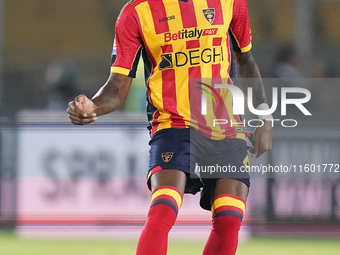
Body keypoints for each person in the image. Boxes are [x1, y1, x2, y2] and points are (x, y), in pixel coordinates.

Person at [67, 0, 273, 254]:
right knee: (163, 209)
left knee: (229, 219)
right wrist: (92, 107)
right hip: (172, 125)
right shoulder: (137, 12)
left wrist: (265, 115)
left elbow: (246, 61)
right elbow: (116, 86)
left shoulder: (229, 2)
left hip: (225, 127)